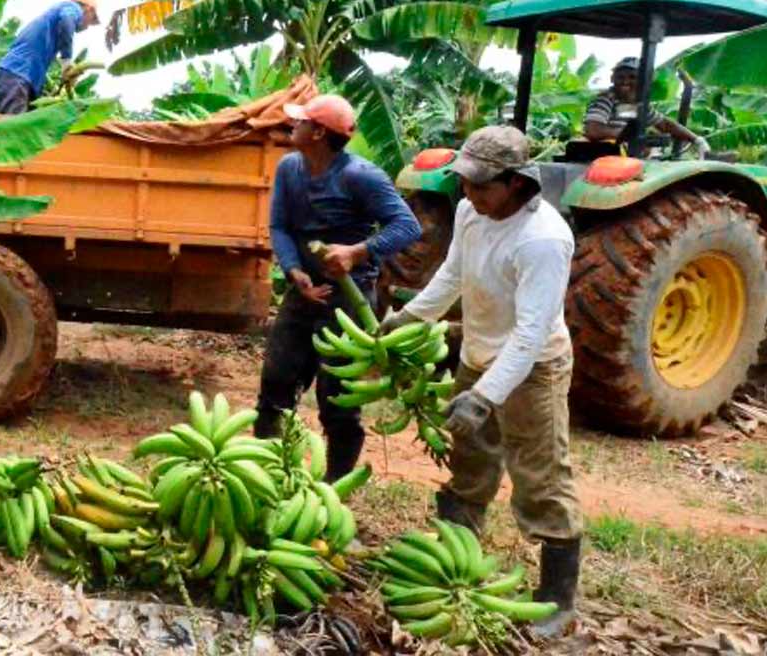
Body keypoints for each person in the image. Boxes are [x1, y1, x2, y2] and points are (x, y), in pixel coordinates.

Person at [382, 126, 583, 638]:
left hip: (534, 367)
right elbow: (453, 275)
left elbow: (531, 333)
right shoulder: (473, 211)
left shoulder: (544, 239)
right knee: (469, 466)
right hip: (478, 356)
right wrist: (410, 318)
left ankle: (557, 602)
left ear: (516, 182)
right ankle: (454, 567)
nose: (468, 195)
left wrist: (486, 395)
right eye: (465, 185)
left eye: (480, 186)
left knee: (540, 478)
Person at [254, 95, 421, 482]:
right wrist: (294, 270)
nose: (292, 126)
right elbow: (279, 225)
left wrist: (357, 252)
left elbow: (407, 226)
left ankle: (335, 487)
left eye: (300, 123)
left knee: (338, 398)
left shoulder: (361, 177)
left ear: (318, 133)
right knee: (276, 382)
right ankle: (263, 477)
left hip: (349, 298)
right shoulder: (289, 168)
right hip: (303, 291)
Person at [584, 57, 710, 158]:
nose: (625, 81)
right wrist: (627, 136)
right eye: (620, 77)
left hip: (624, 158)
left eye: (632, 77)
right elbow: (593, 130)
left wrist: (697, 140)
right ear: (612, 79)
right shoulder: (605, 100)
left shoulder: (634, 106)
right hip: (602, 160)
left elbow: (665, 125)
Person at [0, 0, 99, 114]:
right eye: (91, 20)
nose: (88, 26)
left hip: (25, 77)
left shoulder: (51, 23)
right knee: (12, 125)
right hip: (18, 73)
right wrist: (67, 62)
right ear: (89, 9)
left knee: (25, 126)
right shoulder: (72, 7)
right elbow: (67, 20)